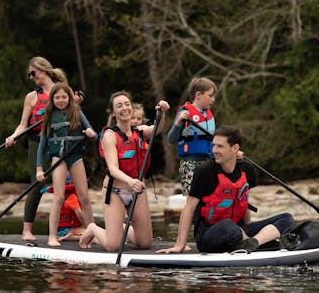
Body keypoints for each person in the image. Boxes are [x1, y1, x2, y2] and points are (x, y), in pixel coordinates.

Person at [157, 126, 294, 254]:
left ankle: (253, 243)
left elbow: (244, 199)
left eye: (220, 146)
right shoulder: (204, 171)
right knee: (229, 226)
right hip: (210, 235)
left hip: (239, 229)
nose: (214, 150)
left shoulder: (247, 168)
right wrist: (180, 245)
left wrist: (249, 227)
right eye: (214, 145)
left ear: (235, 148)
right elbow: (189, 208)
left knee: (287, 218)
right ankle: (259, 242)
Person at [79, 91, 170, 251]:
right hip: (116, 191)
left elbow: (157, 129)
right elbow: (112, 168)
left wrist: (162, 113)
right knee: (113, 246)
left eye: (127, 104)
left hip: (137, 190)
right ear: (113, 112)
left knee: (145, 244)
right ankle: (93, 228)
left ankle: (118, 228)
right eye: (119, 106)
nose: (124, 108)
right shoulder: (110, 135)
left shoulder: (139, 131)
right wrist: (130, 181)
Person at [5, 56, 82, 241]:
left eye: (33, 73)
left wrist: (77, 104)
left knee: (69, 185)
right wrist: (13, 136)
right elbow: (23, 124)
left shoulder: (64, 91)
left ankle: (74, 228)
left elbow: (74, 118)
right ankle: (27, 230)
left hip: (60, 142)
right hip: (37, 142)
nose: (31, 77)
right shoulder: (31, 97)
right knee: (37, 183)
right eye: (29, 75)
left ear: (44, 70)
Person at [35, 82, 96, 246]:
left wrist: (90, 133)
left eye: (64, 97)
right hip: (58, 158)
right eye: (57, 97)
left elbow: (94, 134)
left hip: (75, 157)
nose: (61, 100)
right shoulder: (49, 116)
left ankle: (92, 234)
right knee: (59, 196)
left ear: (69, 98)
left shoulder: (77, 112)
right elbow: (42, 145)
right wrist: (39, 169)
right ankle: (52, 237)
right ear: (52, 99)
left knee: (84, 197)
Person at [167, 77, 217, 196]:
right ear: (198, 94)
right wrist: (178, 123)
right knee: (192, 201)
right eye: (210, 96)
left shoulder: (208, 115)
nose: (213, 99)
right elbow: (171, 139)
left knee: (208, 201)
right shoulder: (185, 113)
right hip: (190, 165)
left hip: (209, 164)